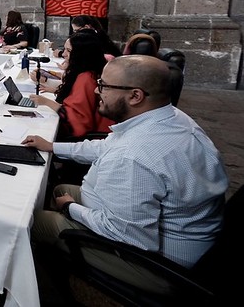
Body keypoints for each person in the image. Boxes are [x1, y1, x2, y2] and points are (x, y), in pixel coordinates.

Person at [23, 55, 228, 293]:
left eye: (104, 86)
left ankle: (38, 286)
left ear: (135, 96)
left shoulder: (134, 157)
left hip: (160, 264)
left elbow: (128, 235)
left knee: (34, 221)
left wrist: (70, 209)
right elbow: (106, 146)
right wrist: (53, 147)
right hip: (182, 235)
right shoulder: (168, 117)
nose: (98, 92)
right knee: (61, 190)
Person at [29, 31, 113, 140]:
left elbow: (78, 121)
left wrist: (45, 102)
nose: (63, 54)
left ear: (81, 54)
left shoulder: (86, 78)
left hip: (89, 139)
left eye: (68, 51)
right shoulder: (93, 70)